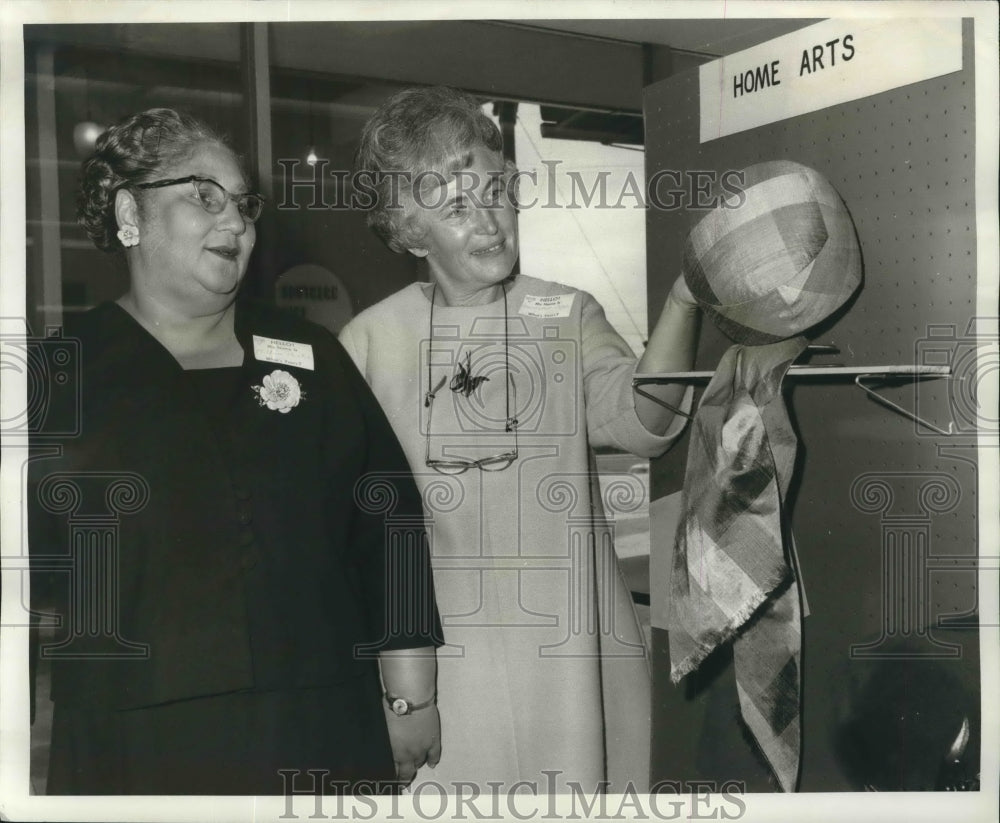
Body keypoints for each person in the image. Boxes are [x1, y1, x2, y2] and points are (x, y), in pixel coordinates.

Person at [28, 108, 442, 795]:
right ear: (131, 212)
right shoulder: (58, 376)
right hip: (136, 736)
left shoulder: (313, 358)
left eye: (244, 204)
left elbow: (387, 526)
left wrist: (410, 698)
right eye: (203, 195)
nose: (236, 222)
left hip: (318, 723)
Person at [339, 86, 701, 794]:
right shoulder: (368, 343)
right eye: (456, 207)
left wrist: (684, 300)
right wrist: (399, 695)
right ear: (411, 234)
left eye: (495, 191)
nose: (489, 222)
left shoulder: (563, 311)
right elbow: (357, 539)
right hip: (441, 669)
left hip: (574, 658)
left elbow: (644, 423)